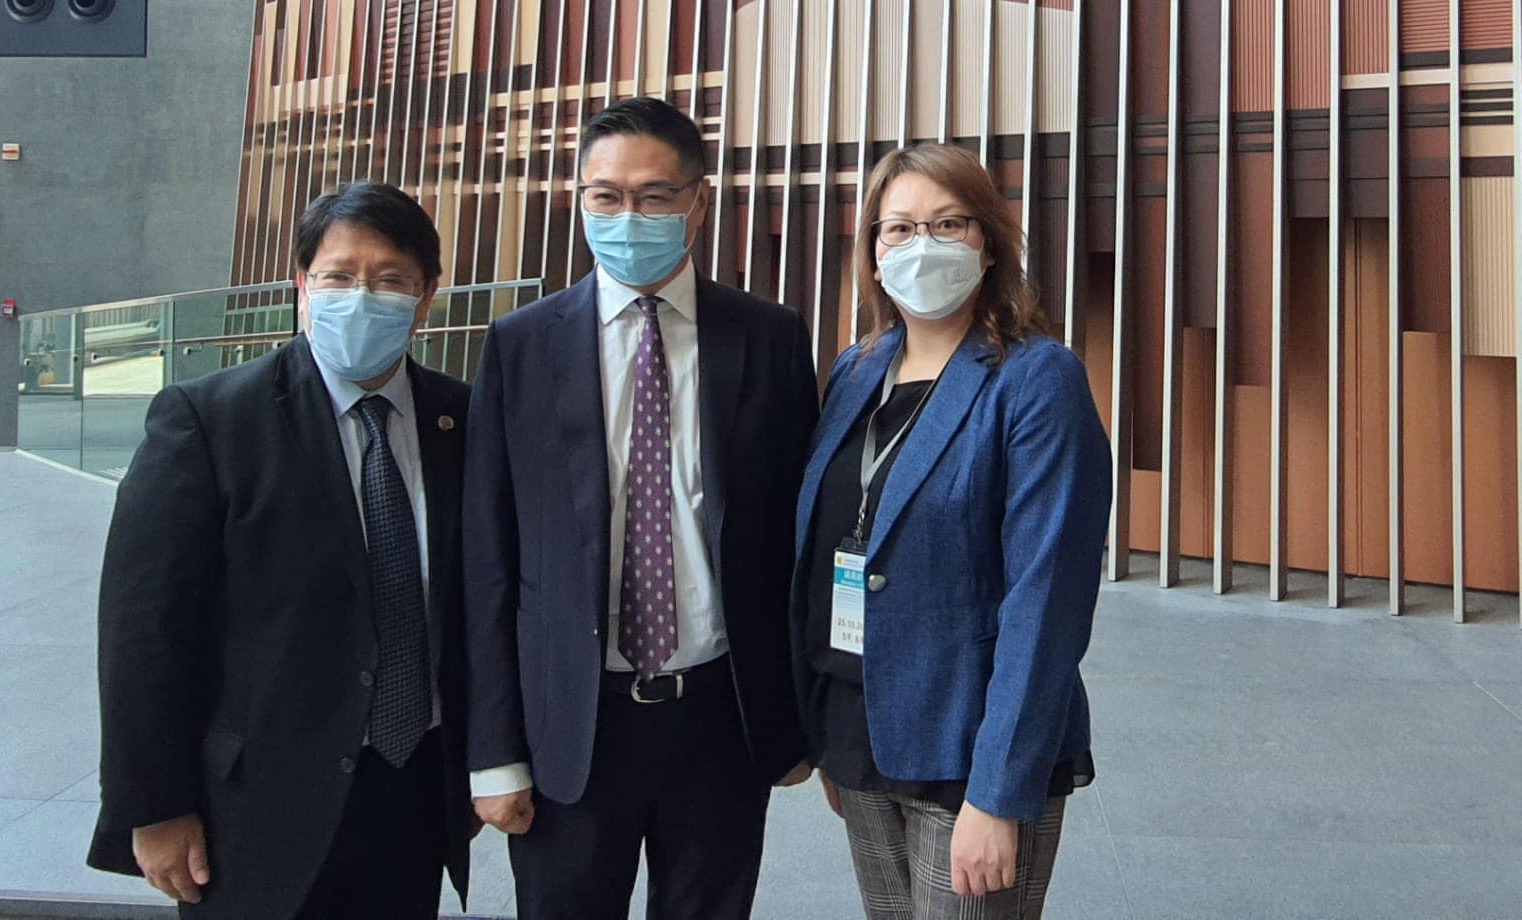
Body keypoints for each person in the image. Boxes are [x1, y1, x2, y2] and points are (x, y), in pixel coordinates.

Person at [464, 96, 820, 920]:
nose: (629, 215)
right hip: (570, 721)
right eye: (607, 195)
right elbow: (488, 558)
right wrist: (495, 752)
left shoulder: (769, 338)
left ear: (699, 202)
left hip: (722, 716)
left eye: (655, 195)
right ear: (579, 199)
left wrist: (795, 718)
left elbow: (793, 544)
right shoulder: (520, 346)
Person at [88, 182, 476, 919]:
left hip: (415, 791)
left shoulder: (462, 419)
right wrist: (153, 806)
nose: (362, 297)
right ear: (303, 285)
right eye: (339, 276)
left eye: (390, 280)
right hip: (254, 805)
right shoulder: (210, 420)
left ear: (426, 298)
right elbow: (143, 628)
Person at [792, 143, 1111, 920]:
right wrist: (826, 733)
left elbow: (1046, 600)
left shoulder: (1036, 379)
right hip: (861, 727)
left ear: (989, 244)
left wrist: (999, 793)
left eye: (949, 223)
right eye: (899, 228)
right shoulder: (856, 371)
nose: (922, 245)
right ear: (873, 254)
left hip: (970, 748)